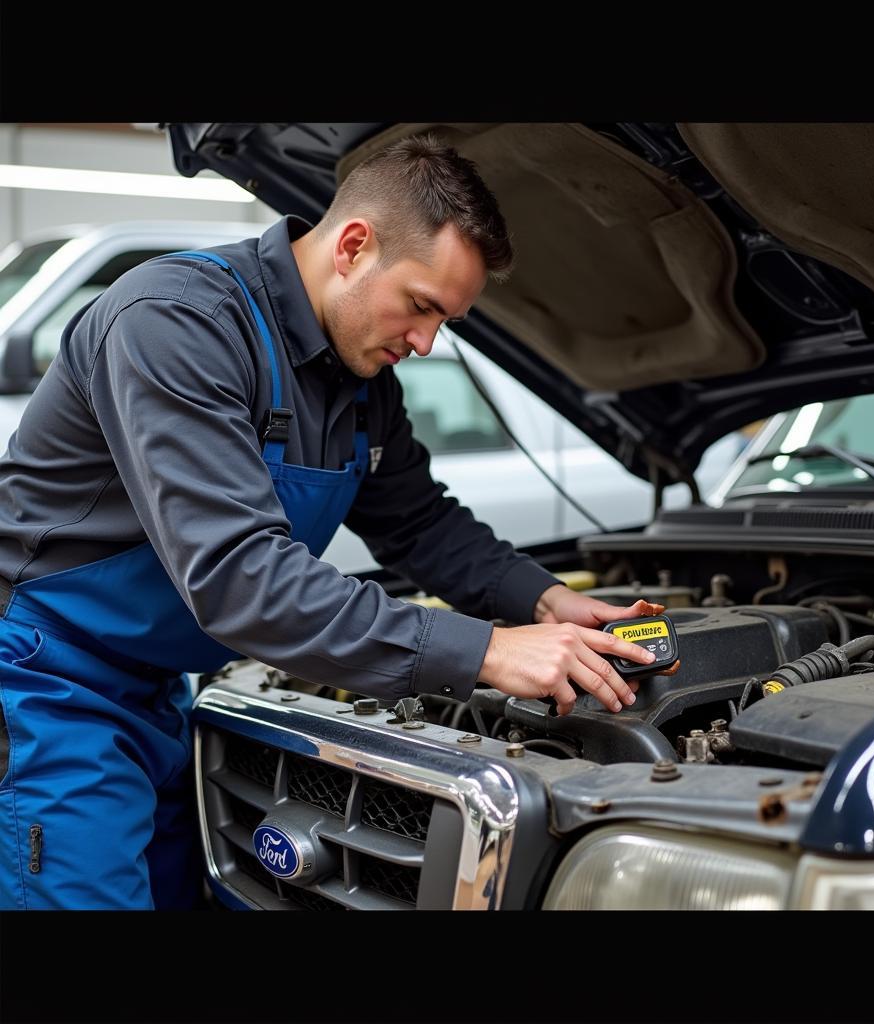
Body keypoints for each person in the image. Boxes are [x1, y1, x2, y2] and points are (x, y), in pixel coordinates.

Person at [0, 133, 657, 909]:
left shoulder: (362, 383)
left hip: (155, 686)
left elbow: (420, 525)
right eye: (421, 306)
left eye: (446, 321)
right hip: (48, 678)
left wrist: (544, 602)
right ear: (353, 245)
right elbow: (242, 581)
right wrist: (487, 650)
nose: (426, 343)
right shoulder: (175, 323)